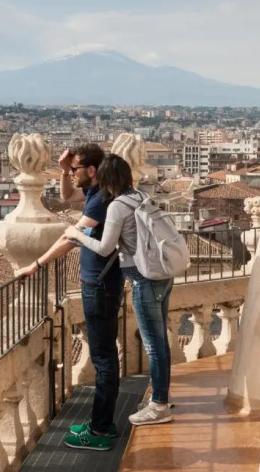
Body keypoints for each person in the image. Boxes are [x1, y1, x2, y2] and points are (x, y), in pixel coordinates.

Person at [16, 144, 124, 451]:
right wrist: (64, 171)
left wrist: (36, 265)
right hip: (101, 283)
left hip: (100, 286)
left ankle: (99, 431)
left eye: (75, 169)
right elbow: (67, 196)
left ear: (91, 170)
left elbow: (70, 238)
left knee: (103, 358)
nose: (72, 174)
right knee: (104, 356)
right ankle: (102, 423)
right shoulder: (96, 192)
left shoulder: (101, 200)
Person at [64, 154, 173, 427]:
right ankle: (160, 398)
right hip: (162, 274)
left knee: (153, 345)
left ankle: (159, 406)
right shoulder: (139, 196)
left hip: (143, 278)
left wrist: (77, 235)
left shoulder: (117, 206)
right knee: (160, 342)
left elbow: (104, 248)